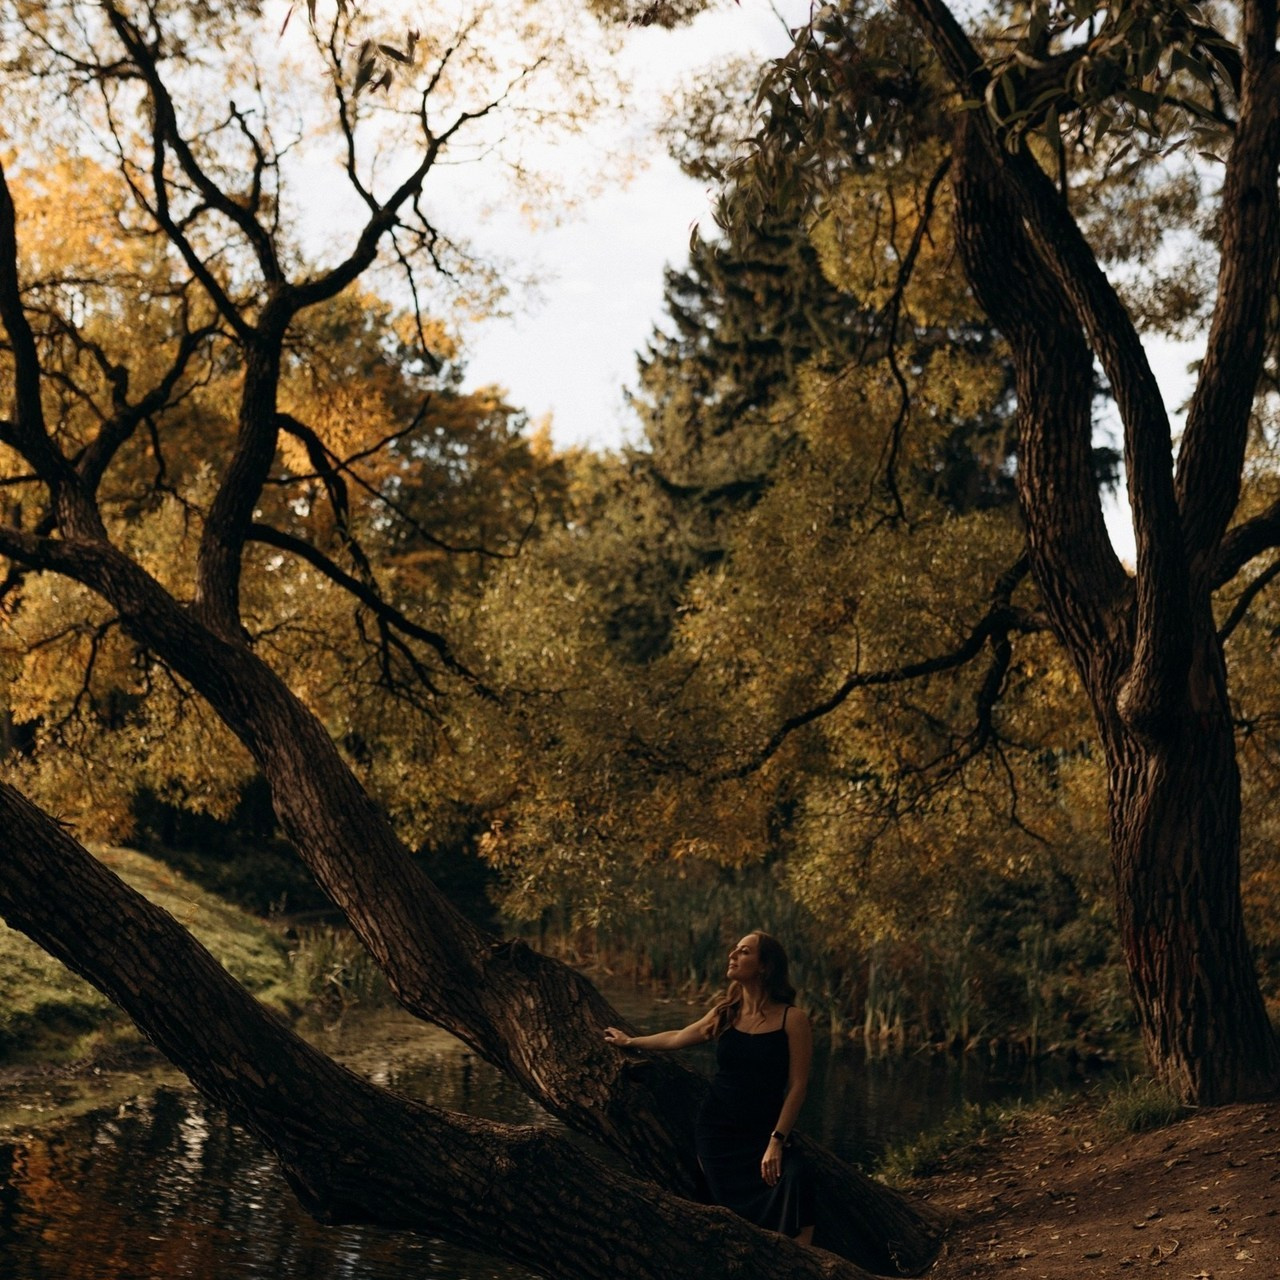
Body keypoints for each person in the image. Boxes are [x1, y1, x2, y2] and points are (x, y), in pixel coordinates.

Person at [603, 931, 816, 1245]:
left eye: (743, 951)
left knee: (797, 1176)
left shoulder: (792, 1019)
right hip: (718, 1132)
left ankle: (804, 1265)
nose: (732, 955)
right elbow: (678, 1037)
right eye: (734, 950)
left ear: (765, 966)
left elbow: (798, 1087)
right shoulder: (725, 1013)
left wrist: (777, 1141)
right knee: (733, 1209)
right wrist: (630, 1041)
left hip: (764, 1130)